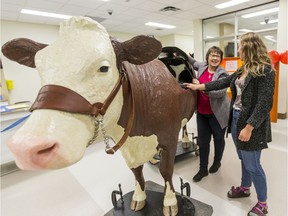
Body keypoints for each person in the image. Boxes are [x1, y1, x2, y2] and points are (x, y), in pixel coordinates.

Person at [185, 32, 275, 216]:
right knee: (243, 159)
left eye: (241, 46)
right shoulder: (244, 69)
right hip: (235, 118)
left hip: (251, 125)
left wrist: (249, 127)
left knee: (253, 165)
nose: (239, 49)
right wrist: (200, 87)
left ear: (250, 47)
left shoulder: (266, 70)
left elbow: (265, 103)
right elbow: (225, 82)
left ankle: (263, 203)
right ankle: (245, 187)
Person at [188, 46, 230, 182]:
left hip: (217, 114)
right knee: (203, 141)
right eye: (212, 55)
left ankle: (217, 161)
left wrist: (200, 85)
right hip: (202, 113)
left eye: (218, 56)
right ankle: (203, 169)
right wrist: (179, 53)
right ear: (208, 57)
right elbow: (192, 61)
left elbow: (220, 92)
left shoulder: (223, 74)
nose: (215, 58)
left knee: (218, 140)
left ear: (221, 59)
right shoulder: (202, 66)